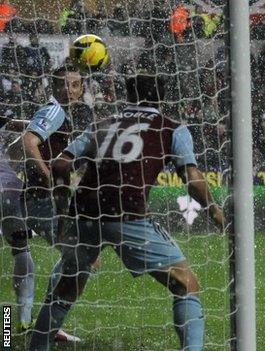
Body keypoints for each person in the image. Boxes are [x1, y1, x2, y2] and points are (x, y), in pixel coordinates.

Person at [28, 74, 224, 351]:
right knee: (185, 283)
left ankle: (35, 345)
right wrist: (215, 211)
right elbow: (191, 177)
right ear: (162, 97)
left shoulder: (102, 124)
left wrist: (63, 213)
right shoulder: (171, 128)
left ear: (129, 96)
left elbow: (61, 165)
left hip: (85, 214)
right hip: (126, 213)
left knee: (67, 288)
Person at [4, 65, 84, 343]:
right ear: (53, 87)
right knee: (78, 255)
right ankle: (48, 326)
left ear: (82, 90)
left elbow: (16, 148)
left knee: (21, 253)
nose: (69, 90)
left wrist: (15, 171)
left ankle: (20, 325)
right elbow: (28, 142)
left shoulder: (52, 115)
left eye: (74, 85)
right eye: (64, 84)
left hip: (22, 198)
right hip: (42, 202)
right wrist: (51, 178)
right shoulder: (54, 111)